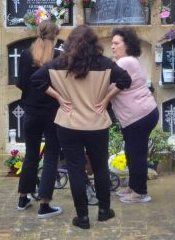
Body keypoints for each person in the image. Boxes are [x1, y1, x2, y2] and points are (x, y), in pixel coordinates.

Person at [32, 25, 132, 230]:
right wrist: (106, 99)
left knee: (76, 170)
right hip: (97, 123)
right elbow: (125, 79)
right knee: (101, 167)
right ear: (94, 43)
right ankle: (104, 210)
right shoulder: (104, 63)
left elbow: (36, 79)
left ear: (69, 43)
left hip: (68, 124)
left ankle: (82, 217)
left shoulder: (59, 63)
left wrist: (59, 97)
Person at [15, 21, 62, 219]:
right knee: (51, 156)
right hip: (52, 113)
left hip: (31, 112)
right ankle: (44, 204)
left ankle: (23, 198)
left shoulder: (26, 54)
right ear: (55, 36)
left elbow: (20, 84)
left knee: (31, 155)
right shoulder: (58, 56)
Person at [110, 27, 159, 203]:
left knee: (136, 153)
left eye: (116, 43)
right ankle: (133, 186)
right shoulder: (128, 61)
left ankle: (140, 192)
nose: (112, 47)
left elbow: (106, 84)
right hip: (139, 115)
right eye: (112, 43)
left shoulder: (125, 63)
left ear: (127, 45)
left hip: (139, 115)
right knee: (132, 152)